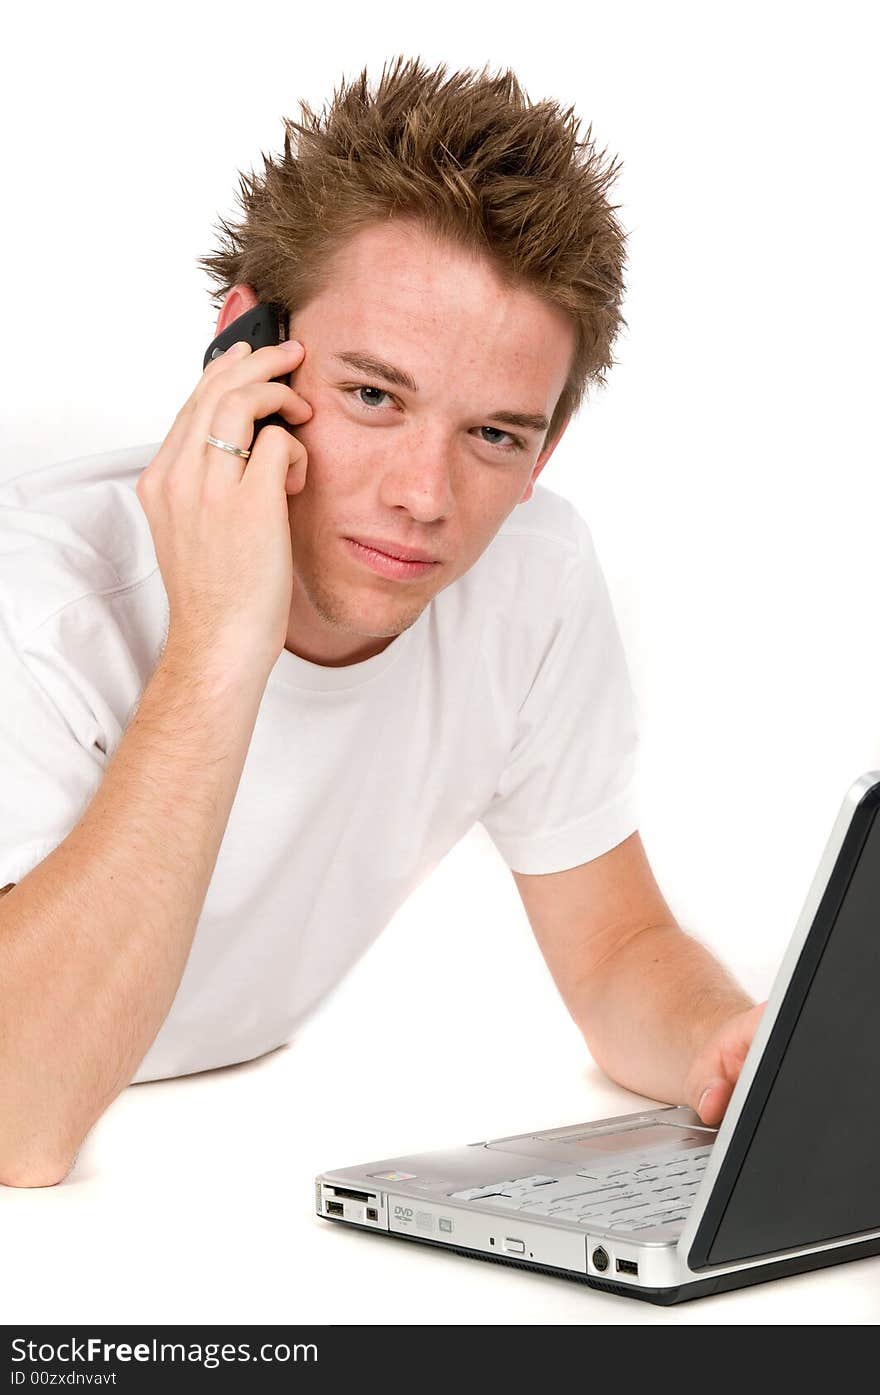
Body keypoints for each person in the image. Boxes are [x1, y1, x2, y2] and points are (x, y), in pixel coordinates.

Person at [0, 56, 762, 1189]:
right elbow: (20, 1117)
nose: (425, 495)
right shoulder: (45, 606)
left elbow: (616, 950)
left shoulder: (531, 584)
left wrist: (728, 1048)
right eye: (373, 396)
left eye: (495, 435)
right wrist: (219, 640)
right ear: (245, 346)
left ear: (544, 453)